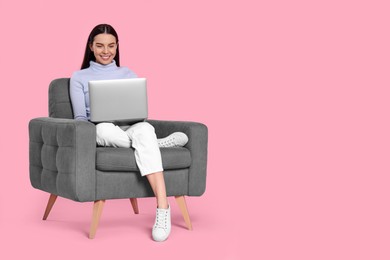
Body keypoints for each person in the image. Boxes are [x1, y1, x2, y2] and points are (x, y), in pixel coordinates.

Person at [69, 24, 188, 242]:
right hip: (101, 129)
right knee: (105, 129)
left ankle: (163, 208)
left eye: (111, 45)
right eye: (100, 46)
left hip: (131, 125)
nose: (106, 51)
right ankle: (155, 144)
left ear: (117, 47)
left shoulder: (128, 74)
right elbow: (79, 119)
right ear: (91, 47)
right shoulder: (78, 77)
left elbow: (139, 112)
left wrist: (137, 119)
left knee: (145, 129)